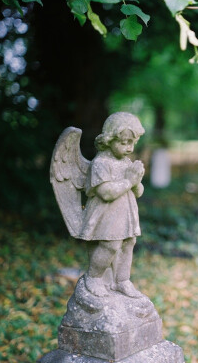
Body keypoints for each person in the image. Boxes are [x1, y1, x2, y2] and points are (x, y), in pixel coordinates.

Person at [78, 112, 145, 298]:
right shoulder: (100, 163)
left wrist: (137, 180)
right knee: (111, 245)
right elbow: (106, 193)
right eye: (124, 143)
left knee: (129, 243)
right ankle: (93, 277)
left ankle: (122, 280)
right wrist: (129, 181)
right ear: (108, 140)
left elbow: (138, 192)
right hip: (106, 214)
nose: (129, 148)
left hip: (125, 213)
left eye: (132, 143)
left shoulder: (126, 162)